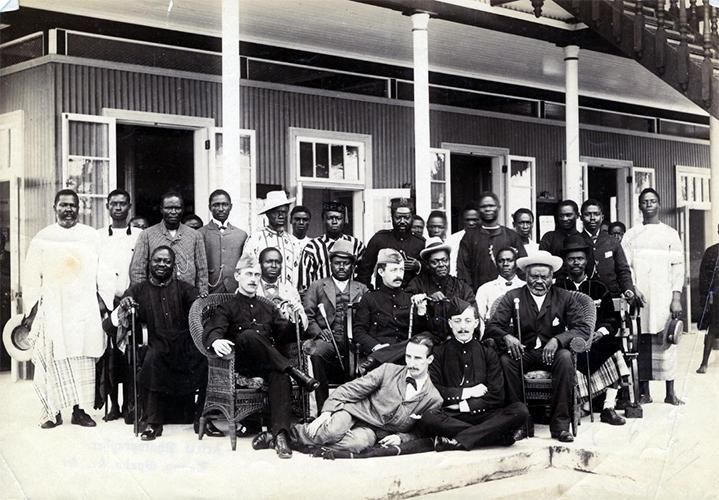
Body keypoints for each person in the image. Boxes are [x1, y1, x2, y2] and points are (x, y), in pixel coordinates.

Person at [202, 254, 318, 459]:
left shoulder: (268, 307)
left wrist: (297, 319)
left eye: (257, 274)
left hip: (269, 363)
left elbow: (287, 335)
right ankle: (295, 372)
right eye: (248, 274)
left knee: (280, 374)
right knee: (248, 335)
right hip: (240, 365)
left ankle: (279, 436)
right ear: (237, 275)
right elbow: (212, 330)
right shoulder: (226, 306)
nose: (254, 279)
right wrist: (215, 340)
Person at [23, 189, 113, 429]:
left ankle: (80, 411)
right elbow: (31, 277)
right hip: (54, 308)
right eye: (63, 205)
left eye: (72, 205)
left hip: (84, 310)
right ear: (55, 208)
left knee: (82, 358)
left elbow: (104, 271)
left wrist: (103, 302)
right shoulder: (42, 238)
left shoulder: (91, 236)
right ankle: (51, 412)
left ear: (79, 208)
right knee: (50, 361)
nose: (68, 210)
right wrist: (32, 311)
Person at [485, 250, 594, 442]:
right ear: (526, 276)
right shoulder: (512, 296)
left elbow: (583, 328)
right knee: (505, 360)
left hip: (553, 353)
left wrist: (558, 340)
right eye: (534, 276)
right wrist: (508, 337)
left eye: (544, 277)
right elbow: (493, 325)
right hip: (524, 352)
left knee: (566, 358)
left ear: (552, 278)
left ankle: (560, 427)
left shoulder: (565, 297)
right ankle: (521, 424)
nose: (539, 281)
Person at [109, 246, 206, 440]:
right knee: (152, 358)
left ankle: (201, 417)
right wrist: (125, 306)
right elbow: (119, 317)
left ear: (173, 265)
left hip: (183, 343)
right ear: (149, 264)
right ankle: (153, 423)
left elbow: (199, 308)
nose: (162, 264)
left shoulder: (184, 288)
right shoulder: (138, 289)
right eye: (158, 260)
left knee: (206, 357)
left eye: (167, 261)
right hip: (155, 341)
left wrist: (202, 305)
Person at [290, 335, 443, 453]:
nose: (411, 363)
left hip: (375, 431)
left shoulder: (433, 398)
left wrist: (401, 438)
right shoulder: (388, 370)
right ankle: (290, 434)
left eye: (418, 358)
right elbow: (349, 389)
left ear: (429, 359)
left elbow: (421, 432)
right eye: (408, 357)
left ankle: (312, 442)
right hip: (354, 411)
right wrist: (326, 413)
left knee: (356, 444)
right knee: (332, 431)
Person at [418, 300, 529, 451]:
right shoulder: (439, 352)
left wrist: (463, 405)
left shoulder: (488, 352)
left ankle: (460, 439)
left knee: (520, 410)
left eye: (467, 321)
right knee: (428, 417)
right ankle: (494, 435)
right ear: (450, 323)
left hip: (484, 414)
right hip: (452, 416)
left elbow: (497, 395)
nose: (463, 327)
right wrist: (466, 392)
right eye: (457, 321)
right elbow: (435, 389)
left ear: (476, 323)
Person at [554, 235, 628, 426]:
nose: (576, 263)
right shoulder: (558, 288)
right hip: (569, 340)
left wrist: (600, 333)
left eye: (579, 258)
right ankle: (581, 404)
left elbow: (611, 320)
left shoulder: (599, 287)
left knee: (613, 346)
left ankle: (608, 407)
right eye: (571, 259)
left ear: (586, 261)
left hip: (595, 340)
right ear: (565, 262)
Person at [622, 188, 684, 405]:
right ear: (639, 206)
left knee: (667, 340)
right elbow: (625, 266)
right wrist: (632, 288)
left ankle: (670, 391)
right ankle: (644, 391)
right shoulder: (631, 234)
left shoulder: (670, 233)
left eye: (653, 201)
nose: (649, 205)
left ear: (658, 204)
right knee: (642, 341)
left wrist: (676, 297)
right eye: (645, 201)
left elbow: (678, 267)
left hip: (664, 295)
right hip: (640, 296)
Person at [303, 239, 368, 409]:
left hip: (354, 341)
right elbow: (307, 315)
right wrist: (318, 331)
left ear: (352, 266)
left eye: (345, 264)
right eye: (337, 263)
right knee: (317, 353)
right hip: (328, 339)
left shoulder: (362, 289)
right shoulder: (317, 286)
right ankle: (323, 407)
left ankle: (354, 409)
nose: (341, 267)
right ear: (330, 264)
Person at [96, 188, 142, 421]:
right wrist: (102, 303)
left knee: (131, 354)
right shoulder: (97, 237)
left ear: (129, 206)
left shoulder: (139, 236)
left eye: (122, 203)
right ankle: (113, 404)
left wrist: (131, 298)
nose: (117, 207)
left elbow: (141, 269)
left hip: (131, 300)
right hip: (106, 302)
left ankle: (130, 405)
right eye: (113, 203)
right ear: (107, 206)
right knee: (110, 355)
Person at [354, 249, 429, 373]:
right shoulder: (370, 298)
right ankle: (383, 355)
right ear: (381, 272)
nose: (399, 275)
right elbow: (359, 331)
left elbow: (420, 334)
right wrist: (376, 347)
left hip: (405, 358)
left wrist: (421, 311)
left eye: (401, 270)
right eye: (394, 270)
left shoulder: (410, 298)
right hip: (381, 350)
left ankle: (379, 358)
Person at [130, 191, 209, 296]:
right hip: (156, 296)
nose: (173, 212)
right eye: (168, 208)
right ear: (161, 209)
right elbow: (137, 271)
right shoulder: (147, 235)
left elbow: (202, 270)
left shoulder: (195, 235)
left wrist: (202, 295)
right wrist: (142, 296)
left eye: (177, 208)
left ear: (183, 209)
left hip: (188, 297)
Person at [406, 237, 476, 344]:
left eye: (445, 260)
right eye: (435, 262)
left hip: (456, 341)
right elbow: (408, 315)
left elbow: (473, 315)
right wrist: (428, 298)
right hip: (426, 343)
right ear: (427, 265)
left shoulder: (462, 287)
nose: (441, 265)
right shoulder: (417, 284)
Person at [457, 192, 526, 292]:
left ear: (498, 207)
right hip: (478, 295)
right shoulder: (469, 237)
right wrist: (469, 296)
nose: (488, 209)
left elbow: (522, 267)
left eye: (491, 206)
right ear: (478, 210)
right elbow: (463, 270)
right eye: (484, 206)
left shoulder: (511, 236)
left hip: (509, 296)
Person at [356, 198, 424, 288]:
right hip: (384, 297)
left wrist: (418, 266)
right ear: (392, 217)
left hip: (412, 296)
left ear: (412, 218)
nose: (402, 221)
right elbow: (364, 271)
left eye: (407, 217)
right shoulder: (379, 239)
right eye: (398, 217)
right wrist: (368, 293)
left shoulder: (420, 243)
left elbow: (429, 273)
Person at [298, 201, 365, 292]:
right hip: (321, 299)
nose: (334, 222)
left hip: (349, 299)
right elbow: (304, 283)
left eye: (338, 218)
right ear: (323, 220)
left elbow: (364, 274)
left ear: (344, 220)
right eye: (330, 218)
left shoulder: (356, 244)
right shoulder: (312, 247)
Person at [242, 190, 302, 289]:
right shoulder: (255, 239)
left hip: (289, 297)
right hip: (261, 298)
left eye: (284, 212)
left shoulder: (294, 242)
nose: (281, 215)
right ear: (268, 214)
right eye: (276, 212)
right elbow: (245, 270)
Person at [579, 199, 635, 299]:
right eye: (588, 214)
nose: (592, 218)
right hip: (584, 297)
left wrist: (628, 289)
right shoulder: (575, 241)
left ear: (602, 217)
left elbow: (623, 270)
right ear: (581, 217)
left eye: (596, 214)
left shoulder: (612, 241)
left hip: (611, 296)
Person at [198, 189, 248, 293]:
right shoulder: (200, 234)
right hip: (210, 289)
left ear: (231, 206)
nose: (221, 209)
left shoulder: (241, 235)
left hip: (235, 290)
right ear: (210, 207)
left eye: (225, 204)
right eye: (216, 205)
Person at [474, 247, 525, 337]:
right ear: (496, 264)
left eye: (509, 260)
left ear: (516, 263)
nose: (505, 264)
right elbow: (480, 319)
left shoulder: (524, 287)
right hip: (494, 338)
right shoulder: (485, 289)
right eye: (501, 261)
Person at [256, 247, 308, 329]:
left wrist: (296, 316)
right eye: (269, 262)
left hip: (285, 337)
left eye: (278, 262)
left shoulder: (291, 290)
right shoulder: (251, 288)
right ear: (260, 264)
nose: (274, 266)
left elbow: (304, 327)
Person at [697, 224, 719, 374]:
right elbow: (704, 276)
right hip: (716, 297)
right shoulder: (712, 252)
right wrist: (705, 296)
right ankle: (704, 363)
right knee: (713, 328)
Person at [448, 203, 480, 276]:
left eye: (474, 220)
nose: (471, 223)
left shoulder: (486, 238)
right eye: (467, 220)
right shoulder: (451, 240)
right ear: (462, 220)